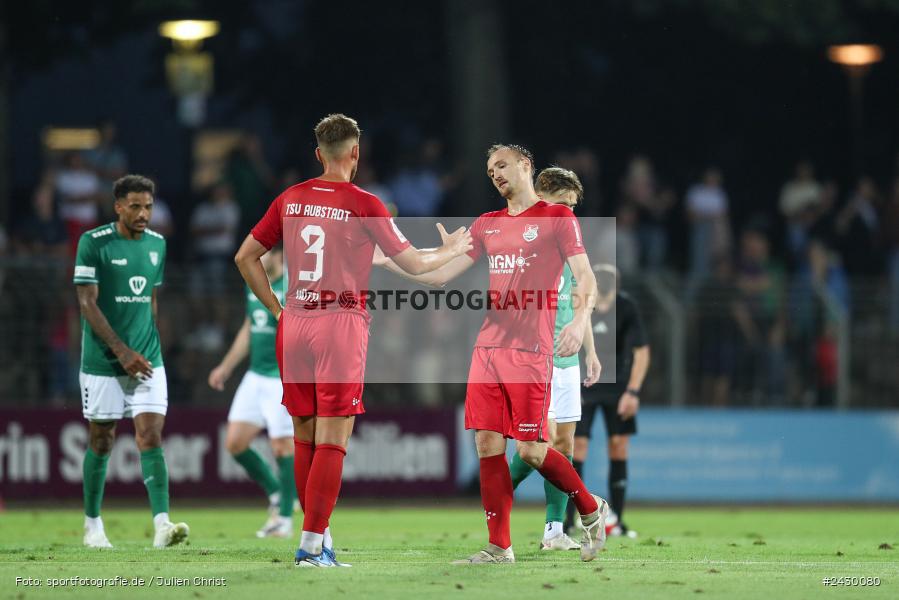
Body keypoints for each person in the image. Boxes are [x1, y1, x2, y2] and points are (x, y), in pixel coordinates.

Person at [234, 113, 473, 568]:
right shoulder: (365, 202)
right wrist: (453, 249)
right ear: (356, 153)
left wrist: (276, 308)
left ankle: (316, 539)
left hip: (295, 322)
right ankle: (310, 547)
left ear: (318, 154)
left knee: (304, 434)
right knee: (333, 438)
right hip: (339, 323)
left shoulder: (291, 197)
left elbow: (246, 256)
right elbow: (419, 267)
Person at [377, 144, 609, 564]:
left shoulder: (558, 217)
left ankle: (591, 509)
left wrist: (578, 322)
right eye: (489, 170)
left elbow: (586, 277)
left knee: (532, 452)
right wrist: (390, 261)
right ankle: (499, 546)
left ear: (525, 165)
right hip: (488, 348)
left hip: (530, 351)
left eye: (501, 165)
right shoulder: (487, 224)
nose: (495, 174)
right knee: (487, 444)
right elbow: (439, 274)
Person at [73, 174, 188, 549]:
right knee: (102, 440)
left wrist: (150, 344)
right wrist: (122, 352)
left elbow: (151, 300)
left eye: (149, 207)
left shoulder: (157, 244)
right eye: (135, 206)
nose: (143, 214)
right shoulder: (93, 243)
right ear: (118, 206)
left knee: (150, 434)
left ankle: (162, 525)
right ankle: (93, 525)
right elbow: (87, 303)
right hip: (104, 362)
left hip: (147, 359)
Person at [504, 167, 601, 551]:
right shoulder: (522, 237)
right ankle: (494, 504)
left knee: (563, 444)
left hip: (567, 358)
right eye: (563, 204)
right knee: (535, 442)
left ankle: (554, 532)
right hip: (532, 355)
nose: (568, 213)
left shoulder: (570, 242)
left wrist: (591, 351)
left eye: (573, 208)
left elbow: (581, 299)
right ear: (541, 195)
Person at [208, 246, 296, 538]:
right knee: (235, 443)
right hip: (255, 376)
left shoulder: (293, 288)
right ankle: (277, 493)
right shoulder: (255, 283)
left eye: (266, 253)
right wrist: (226, 367)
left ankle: (284, 518)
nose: (259, 258)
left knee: (283, 447)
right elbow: (249, 328)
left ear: (280, 255)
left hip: (280, 379)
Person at [567, 264, 649, 539]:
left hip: (618, 388)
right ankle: (567, 522)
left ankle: (619, 521)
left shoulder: (627, 308)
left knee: (618, 446)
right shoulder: (577, 304)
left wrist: (633, 392)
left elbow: (641, 352)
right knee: (575, 447)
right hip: (584, 387)